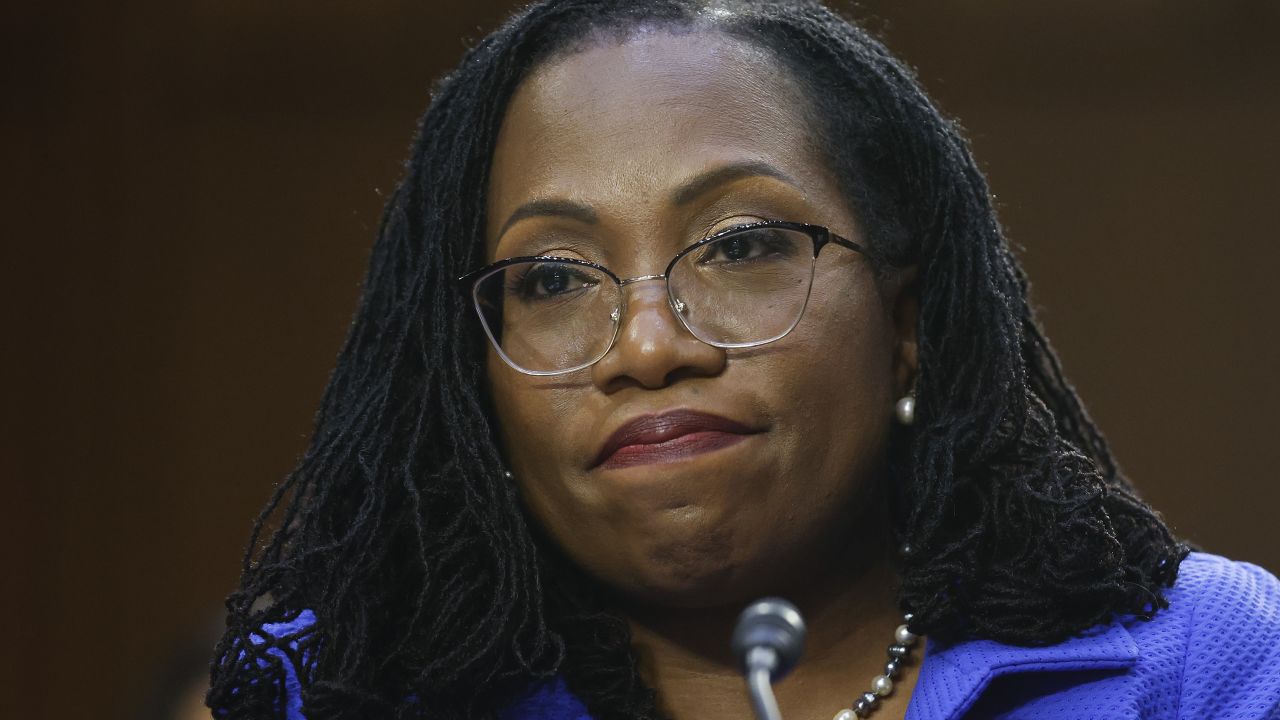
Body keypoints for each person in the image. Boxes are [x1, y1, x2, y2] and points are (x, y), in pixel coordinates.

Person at [208, 2, 1280, 719]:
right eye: (550, 278)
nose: (648, 346)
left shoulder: (1209, 668)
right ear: (468, 379)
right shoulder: (337, 691)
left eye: (739, 247)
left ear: (907, 322)